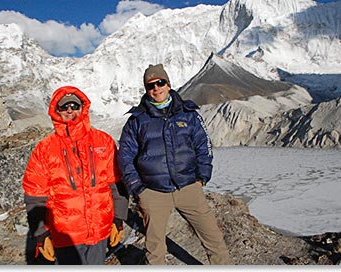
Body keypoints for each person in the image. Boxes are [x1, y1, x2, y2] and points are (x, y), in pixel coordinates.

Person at [118, 64, 231, 265]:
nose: (156, 88)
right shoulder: (137, 120)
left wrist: (202, 177)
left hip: (188, 187)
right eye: (150, 85)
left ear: (168, 84)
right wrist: (138, 189)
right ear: (146, 89)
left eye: (160, 83)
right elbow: (125, 157)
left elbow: (204, 145)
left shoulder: (188, 113)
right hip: (153, 192)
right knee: (155, 248)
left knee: (213, 238)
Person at [22, 86, 128, 265]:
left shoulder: (104, 141)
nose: (70, 110)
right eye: (64, 107)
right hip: (65, 236)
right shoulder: (45, 149)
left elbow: (116, 184)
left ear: (83, 108)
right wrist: (41, 234)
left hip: (100, 230)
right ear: (56, 111)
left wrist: (118, 218)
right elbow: (35, 196)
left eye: (74, 105)